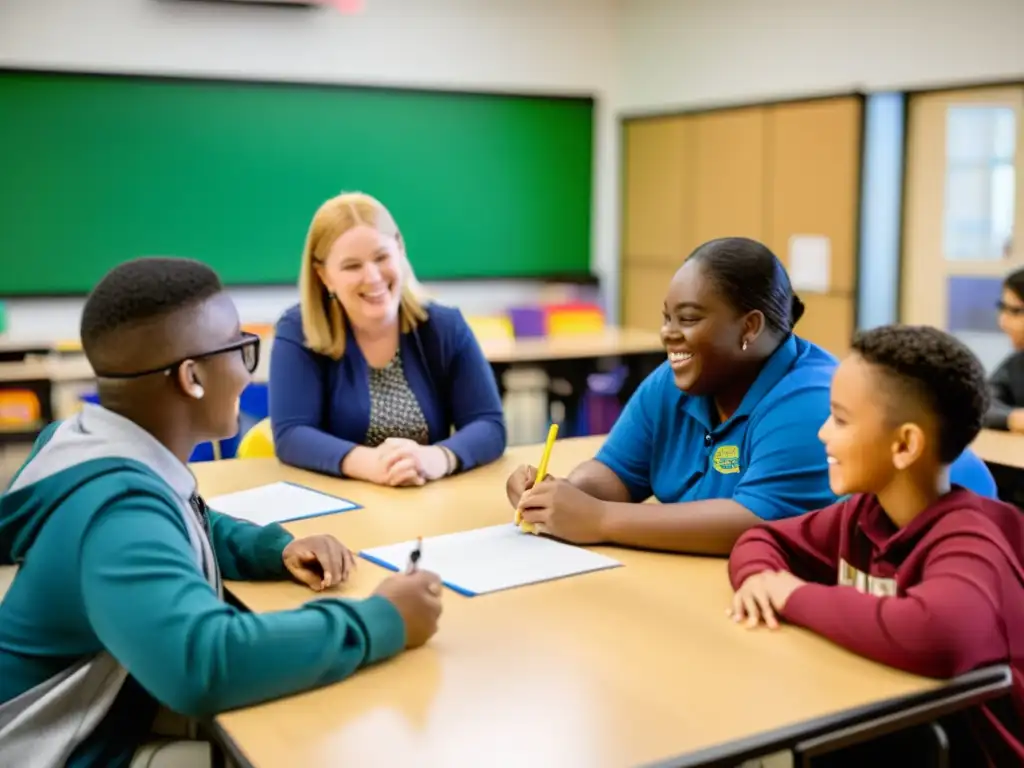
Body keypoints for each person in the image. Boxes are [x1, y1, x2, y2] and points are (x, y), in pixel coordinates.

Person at [0, 258, 444, 768]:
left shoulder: (92, 443)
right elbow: (205, 663)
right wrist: (381, 619)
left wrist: (273, 549)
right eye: (238, 348)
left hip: (104, 715)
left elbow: (188, 516)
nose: (245, 368)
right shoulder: (119, 511)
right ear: (192, 377)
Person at [507, 237, 1000, 553]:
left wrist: (602, 519)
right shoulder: (676, 379)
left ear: (750, 327)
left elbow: (757, 522)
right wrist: (562, 493)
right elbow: (618, 472)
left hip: (928, 557)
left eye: (690, 318)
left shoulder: (814, 398)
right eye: (667, 317)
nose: (669, 334)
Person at [728, 325, 1024, 766]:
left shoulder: (971, 539)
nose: (823, 433)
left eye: (841, 419)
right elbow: (762, 538)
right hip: (896, 733)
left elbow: (937, 636)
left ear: (905, 444)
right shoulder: (863, 514)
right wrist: (760, 578)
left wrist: (792, 595)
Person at [270, 191, 506, 487]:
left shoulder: (444, 326)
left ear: (400, 250)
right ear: (324, 276)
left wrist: (437, 458)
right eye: (352, 266)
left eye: (381, 257)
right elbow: (292, 434)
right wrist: (372, 464)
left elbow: (489, 425)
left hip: (426, 502)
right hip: (340, 507)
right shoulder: (298, 330)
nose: (372, 277)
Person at [985, 266, 1024, 433]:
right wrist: (1012, 418)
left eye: (1015, 311)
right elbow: (981, 404)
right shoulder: (1016, 364)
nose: (1003, 321)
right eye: (1003, 308)